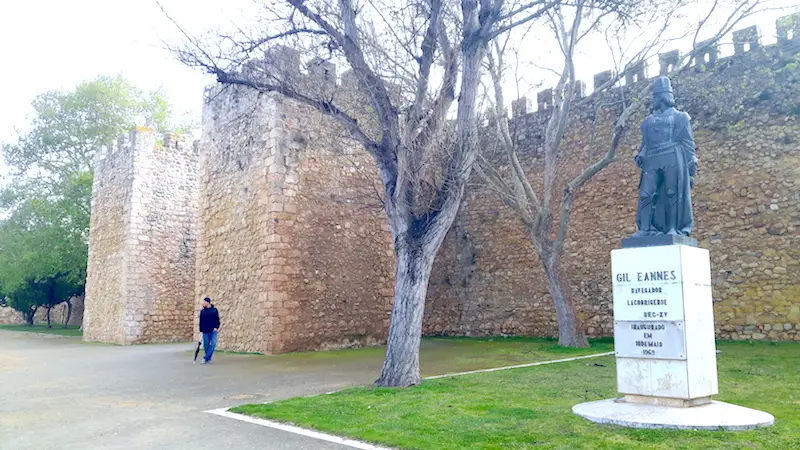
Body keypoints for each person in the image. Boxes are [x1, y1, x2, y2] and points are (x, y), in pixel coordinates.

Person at [632, 76, 697, 237]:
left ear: (661, 97)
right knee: (646, 193)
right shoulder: (648, 121)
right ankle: (645, 229)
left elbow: (688, 143)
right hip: (652, 159)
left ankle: (672, 228)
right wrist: (641, 155)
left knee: (671, 193)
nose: (652, 100)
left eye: (654, 96)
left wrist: (691, 167)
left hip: (672, 156)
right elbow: (645, 144)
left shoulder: (680, 117)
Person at [198, 297, 220, 364]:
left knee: (213, 344)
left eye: (204, 302)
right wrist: (201, 330)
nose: (203, 303)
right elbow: (201, 322)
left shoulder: (214, 310)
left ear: (208, 302)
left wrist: (217, 327)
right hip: (205, 331)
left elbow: (217, 319)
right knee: (206, 345)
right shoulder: (202, 312)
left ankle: (205, 358)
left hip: (213, 330)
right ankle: (208, 358)